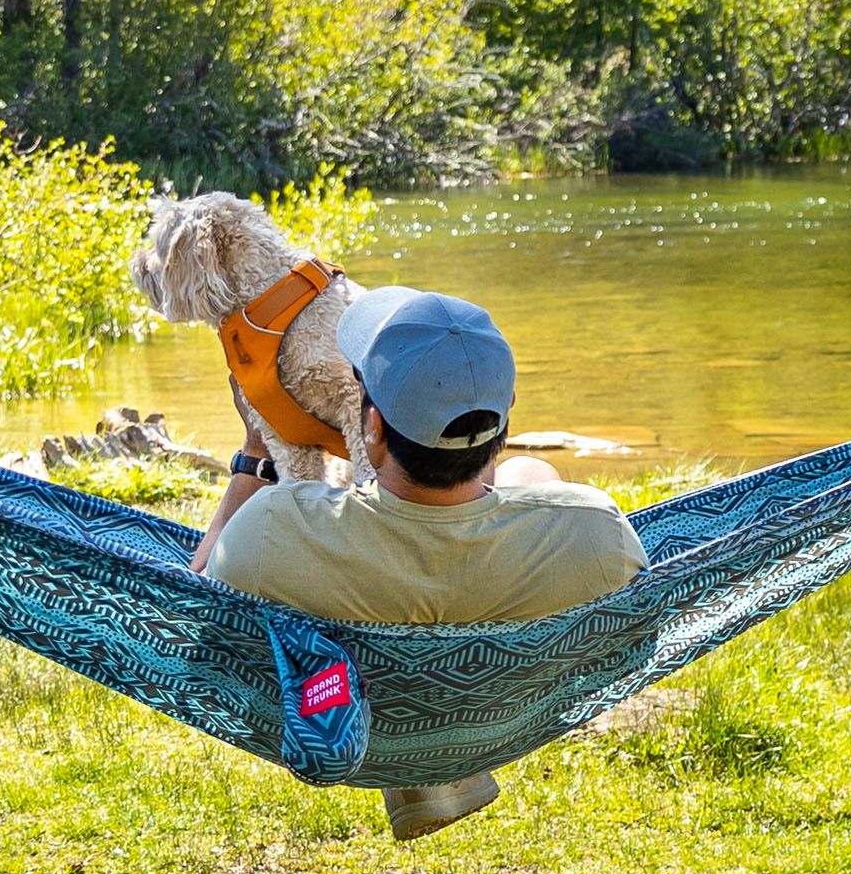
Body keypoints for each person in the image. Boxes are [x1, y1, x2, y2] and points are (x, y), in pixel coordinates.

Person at [191, 287, 646, 838]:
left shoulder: (272, 531)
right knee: (532, 476)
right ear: (504, 418)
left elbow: (199, 602)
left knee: (515, 484)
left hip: (355, 719)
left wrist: (256, 452)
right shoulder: (595, 536)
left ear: (374, 427)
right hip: (498, 710)